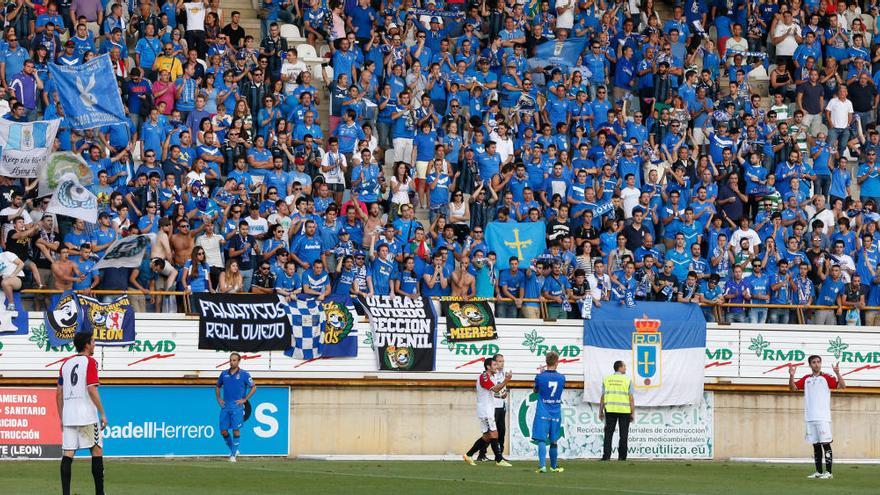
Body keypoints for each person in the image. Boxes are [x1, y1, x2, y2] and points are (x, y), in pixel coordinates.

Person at [57, 332, 107, 495]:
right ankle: (100, 493)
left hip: (69, 416)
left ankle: (65, 493)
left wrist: (61, 417)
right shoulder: (90, 362)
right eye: (93, 341)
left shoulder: (66, 364)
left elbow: (58, 392)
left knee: (68, 453)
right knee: (96, 450)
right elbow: (91, 388)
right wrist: (102, 413)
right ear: (86, 344)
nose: (94, 344)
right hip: (86, 415)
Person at [789, 355, 845, 479]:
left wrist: (837, 373)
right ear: (810, 365)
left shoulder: (826, 377)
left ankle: (829, 473)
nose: (816, 364)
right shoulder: (806, 379)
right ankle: (819, 472)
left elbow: (842, 386)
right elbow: (793, 388)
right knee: (815, 445)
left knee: (825, 444)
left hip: (822, 417)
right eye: (814, 362)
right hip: (810, 417)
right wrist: (792, 375)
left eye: (818, 362)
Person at [462, 357, 512, 467]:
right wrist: (506, 380)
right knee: (494, 433)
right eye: (494, 365)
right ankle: (499, 460)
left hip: (488, 408)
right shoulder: (484, 376)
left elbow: (492, 392)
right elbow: (495, 389)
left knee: (487, 436)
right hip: (485, 409)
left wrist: (501, 395)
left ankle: (468, 455)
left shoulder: (492, 376)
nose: (497, 367)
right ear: (488, 367)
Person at [216, 352, 257, 462]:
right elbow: (217, 386)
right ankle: (234, 449)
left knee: (236, 430)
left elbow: (254, 387)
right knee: (223, 431)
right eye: (230, 360)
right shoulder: (224, 374)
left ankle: (233, 455)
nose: (232, 362)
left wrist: (245, 399)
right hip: (225, 407)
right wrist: (219, 399)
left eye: (234, 360)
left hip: (237, 407)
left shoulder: (244, 374)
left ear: (238, 361)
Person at [532, 351, 565, 473]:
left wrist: (540, 374)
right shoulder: (562, 377)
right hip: (555, 411)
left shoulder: (540, 377)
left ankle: (542, 466)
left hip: (543, 411)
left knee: (541, 439)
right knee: (554, 439)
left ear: (546, 363)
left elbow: (536, 390)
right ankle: (554, 466)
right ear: (557, 362)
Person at [599, 360, 634, 461]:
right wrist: (632, 412)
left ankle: (606, 456)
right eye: (624, 366)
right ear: (620, 367)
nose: (625, 368)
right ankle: (622, 457)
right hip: (624, 410)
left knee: (608, 434)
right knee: (623, 434)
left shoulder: (607, 379)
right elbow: (631, 398)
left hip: (610, 410)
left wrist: (600, 411)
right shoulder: (627, 380)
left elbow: (603, 397)